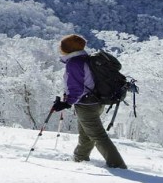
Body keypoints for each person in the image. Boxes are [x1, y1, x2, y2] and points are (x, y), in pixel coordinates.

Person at [52, 34, 127, 169]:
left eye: (61, 46)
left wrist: (67, 103)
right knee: (86, 134)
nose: (59, 48)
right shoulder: (85, 58)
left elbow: (77, 88)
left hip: (86, 105)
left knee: (98, 136)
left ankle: (118, 166)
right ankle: (79, 158)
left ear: (67, 49)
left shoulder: (74, 63)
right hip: (95, 103)